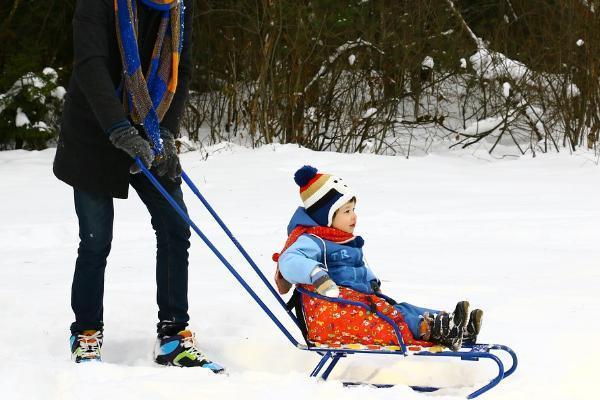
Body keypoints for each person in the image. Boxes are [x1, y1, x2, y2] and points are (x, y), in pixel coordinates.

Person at [53, 0, 222, 371]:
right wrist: (118, 129)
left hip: (151, 123)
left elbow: (182, 70)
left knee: (175, 228)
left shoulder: (178, 6)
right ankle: (85, 333)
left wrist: (166, 132)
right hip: (95, 129)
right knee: (97, 239)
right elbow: (90, 66)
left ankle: (174, 336)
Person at [275, 166, 483, 350]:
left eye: (354, 209)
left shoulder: (342, 240)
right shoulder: (313, 240)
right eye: (346, 211)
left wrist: (372, 281)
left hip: (359, 302)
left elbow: (359, 267)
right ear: (326, 218)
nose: (354, 216)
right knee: (393, 315)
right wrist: (315, 274)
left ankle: (454, 325)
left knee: (402, 308)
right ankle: (433, 328)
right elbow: (288, 261)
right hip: (338, 310)